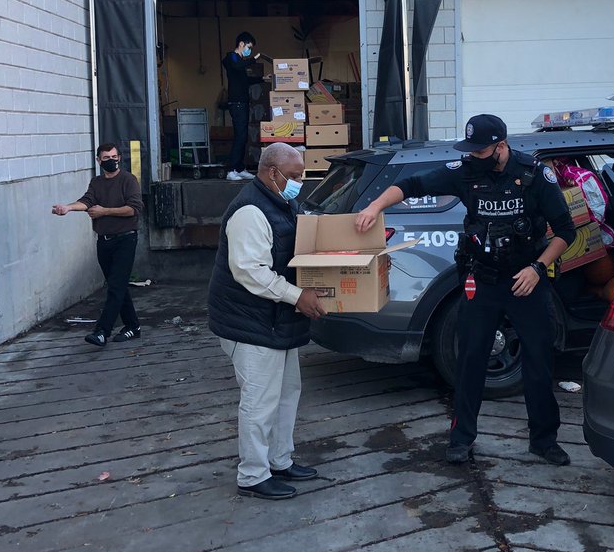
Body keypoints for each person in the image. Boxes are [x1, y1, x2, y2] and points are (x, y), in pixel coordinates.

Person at [354, 114, 576, 466]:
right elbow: (411, 185)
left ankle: (544, 440)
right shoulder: (464, 171)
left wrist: (537, 268)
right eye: (471, 149)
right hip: (482, 280)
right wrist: (374, 206)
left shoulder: (534, 175)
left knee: (539, 361)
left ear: (501, 146)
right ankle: (461, 439)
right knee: (470, 360)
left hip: (526, 281)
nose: (473, 156)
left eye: (481, 150)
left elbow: (566, 231)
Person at [207, 142, 328, 499]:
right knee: (259, 402)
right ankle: (253, 475)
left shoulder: (281, 202)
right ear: (272, 172)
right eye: (294, 176)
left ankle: (280, 460)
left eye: (302, 176)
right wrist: (297, 296)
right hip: (249, 322)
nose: (299, 183)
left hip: (275, 319)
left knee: (287, 393)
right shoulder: (250, 211)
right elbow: (250, 271)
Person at [52, 143, 144, 347]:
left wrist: (105, 211)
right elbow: (86, 201)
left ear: (119, 157)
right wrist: (68, 208)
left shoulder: (128, 180)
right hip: (104, 241)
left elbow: (134, 209)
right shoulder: (97, 182)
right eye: (106, 158)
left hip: (126, 239)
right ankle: (133, 326)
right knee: (117, 285)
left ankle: (102, 331)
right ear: (98, 161)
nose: (111, 160)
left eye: (114, 156)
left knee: (116, 286)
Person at [221, 31, 264, 182]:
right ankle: (231, 170)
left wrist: (262, 78)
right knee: (240, 136)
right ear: (241, 44)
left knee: (243, 136)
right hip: (237, 103)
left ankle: (239, 168)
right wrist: (254, 59)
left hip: (242, 102)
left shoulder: (239, 61)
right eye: (249, 47)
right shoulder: (231, 57)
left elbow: (245, 80)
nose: (249, 50)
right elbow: (236, 66)